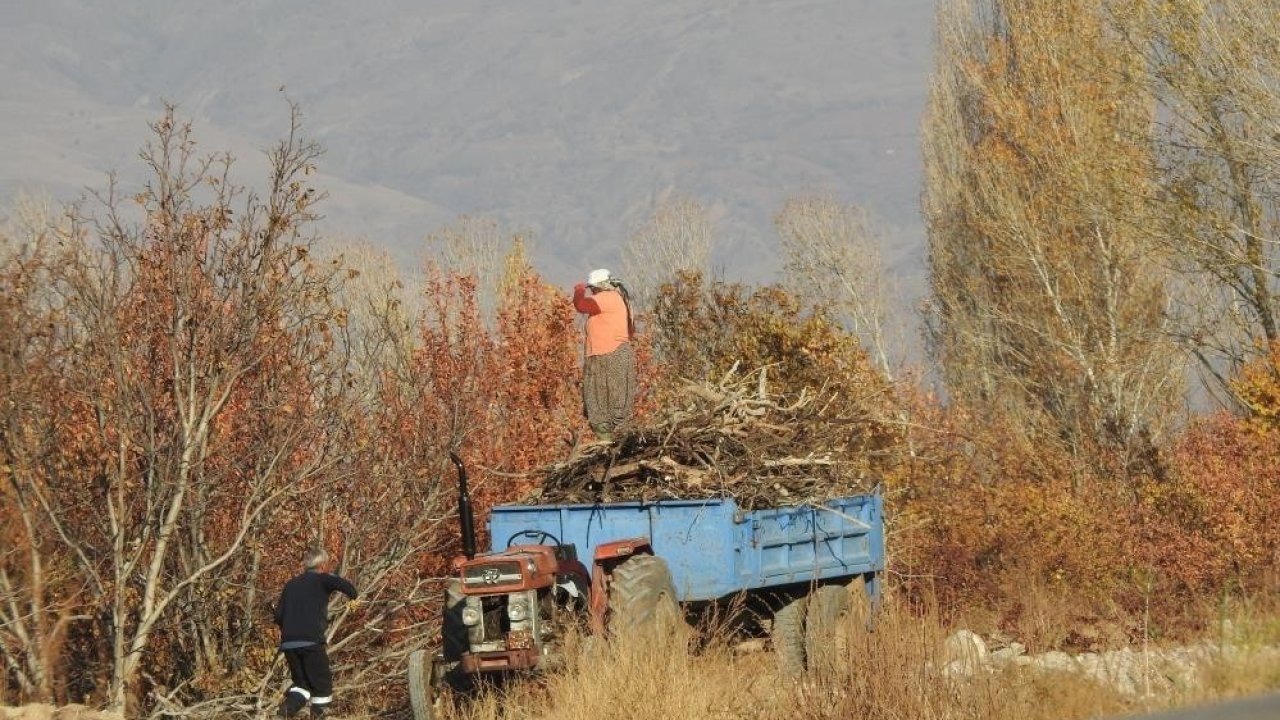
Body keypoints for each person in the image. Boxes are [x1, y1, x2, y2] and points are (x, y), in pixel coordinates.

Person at [274, 548, 359, 718]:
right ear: (323, 565)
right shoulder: (323, 579)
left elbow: (278, 616)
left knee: (302, 685)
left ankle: (284, 712)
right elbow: (350, 589)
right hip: (311, 642)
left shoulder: (290, 585)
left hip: (289, 644)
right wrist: (353, 600)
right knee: (322, 684)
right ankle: (319, 715)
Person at [572, 268, 636, 442]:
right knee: (607, 401)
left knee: (603, 403)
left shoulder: (608, 298)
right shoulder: (618, 299)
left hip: (609, 355)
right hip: (607, 354)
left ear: (599, 287)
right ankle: (611, 442)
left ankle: (610, 443)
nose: (591, 292)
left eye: (592, 289)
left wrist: (579, 290)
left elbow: (581, 305)